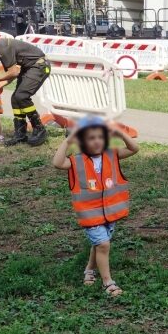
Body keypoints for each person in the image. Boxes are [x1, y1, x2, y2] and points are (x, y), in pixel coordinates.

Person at [52, 116, 139, 297]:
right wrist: (68, 140)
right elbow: (57, 163)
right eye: (91, 138)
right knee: (103, 244)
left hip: (110, 214)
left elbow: (134, 148)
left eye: (100, 137)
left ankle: (89, 270)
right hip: (91, 216)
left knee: (98, 244)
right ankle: (108, 283)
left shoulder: (112, 154)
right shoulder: (76, 161)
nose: (97, 141)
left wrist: (120, 133)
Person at [0, 31, 50, 146]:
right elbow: (12, 74)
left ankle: (39, 129)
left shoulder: (2, 46)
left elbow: (14, 72)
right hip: (29, 68)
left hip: (39, 66)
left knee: (21, 96)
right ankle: (20, 134)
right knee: (15, 99)